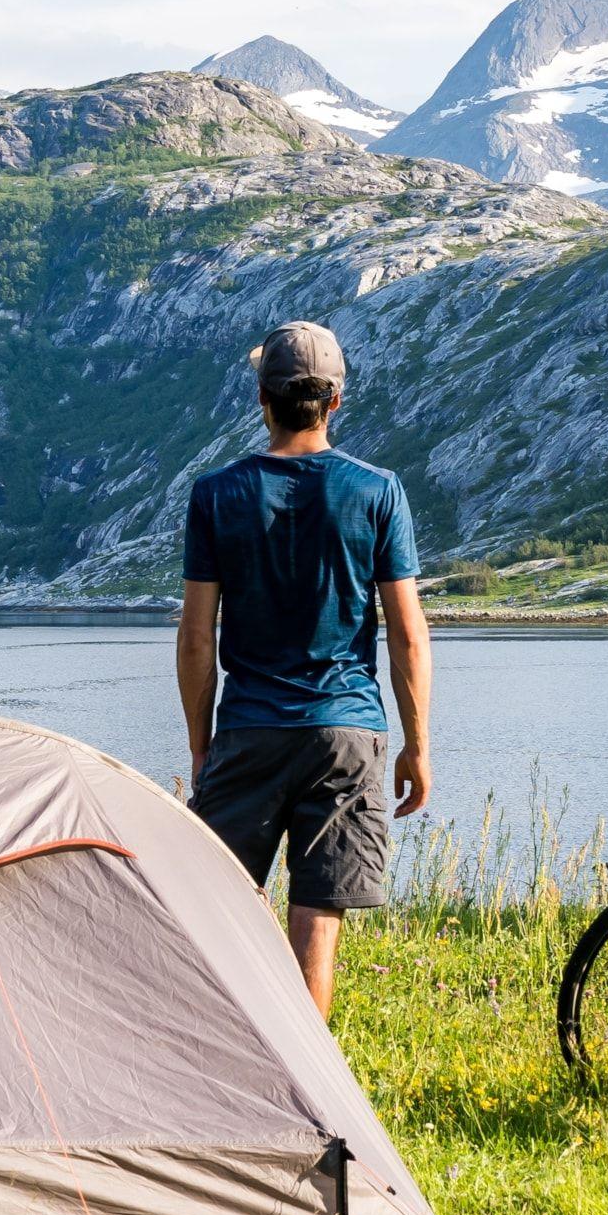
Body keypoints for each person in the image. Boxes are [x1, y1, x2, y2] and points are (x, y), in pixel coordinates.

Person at [176, 320, 432, 1018]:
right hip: (346, 732)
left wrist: (202, 745)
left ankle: (230, 1060)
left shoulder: (216, 494)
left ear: (263, 399)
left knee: (221, 912)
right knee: (317, 925)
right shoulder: (377, 491)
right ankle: (306, 1080)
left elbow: (197, 638)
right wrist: (416, 745)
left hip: (249, 729)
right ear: (335, 401)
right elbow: (408, 636)